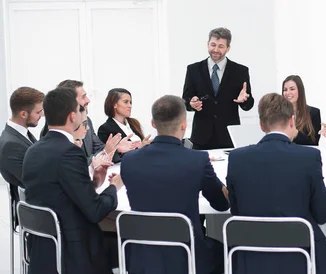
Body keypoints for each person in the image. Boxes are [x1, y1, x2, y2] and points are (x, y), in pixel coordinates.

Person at [227, 93, 326, 274]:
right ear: (292, 121)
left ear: (261, 125)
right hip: (302, 258)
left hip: (251, 260)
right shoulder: (308, 157)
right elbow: (322, 215)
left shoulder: (237, 158)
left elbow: (236, 211)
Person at [119, 95, 230, 274]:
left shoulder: (130, 160)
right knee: (224, 251)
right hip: (186, 256)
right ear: (184, 124)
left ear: (153, 124)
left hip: (142, 255)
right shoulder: (197, 160)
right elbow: (221, 203)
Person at [22, 87, 124, 274]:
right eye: (79, 110)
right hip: (72, 250)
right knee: (132, 241)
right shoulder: (70, 152)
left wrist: (94, 182)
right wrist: (114, 186)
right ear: (72, 116)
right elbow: (95, 211)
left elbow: (60, 192)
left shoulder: (33, 150)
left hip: (42, 247)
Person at [182, 27, 254, 150]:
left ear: (228, 48)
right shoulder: (193, 69)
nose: (215, 49)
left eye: (221, 46)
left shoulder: (240, 71)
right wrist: (191, 103)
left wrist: (245, 100)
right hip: (201, 137)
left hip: (228, 136)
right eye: (213, 45)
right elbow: (186, 100)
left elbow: (248, 104)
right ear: (207, 44)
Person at [41, 80, 128, 163]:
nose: (88, 100)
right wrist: (105, 152)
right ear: (70, 101)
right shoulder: (54, 130)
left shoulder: (87, 120)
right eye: (83, 97)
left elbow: (98, 147)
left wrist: (115, 149)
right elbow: (73, 162)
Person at [0, 87, 44, 230]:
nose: (42, 115)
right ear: (23, 114)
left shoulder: (21, 134)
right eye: (38, 112)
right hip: (34, 210)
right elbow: (33, 182)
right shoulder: (10, 144)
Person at [98, 88, 151, 152]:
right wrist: (140, 148)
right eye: (126, 102)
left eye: (130, 102)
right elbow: (113, 156)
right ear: (114, 105)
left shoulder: (134, 123)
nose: (130, 106)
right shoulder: (105, 129)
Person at [282, 75, 321, 145]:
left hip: (304, 154)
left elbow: (314, 142)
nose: (288, 93)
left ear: (300, 91)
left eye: (292, 89)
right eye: (285, 90)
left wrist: (295, 133)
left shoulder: (313, 113)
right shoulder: (278, 113)